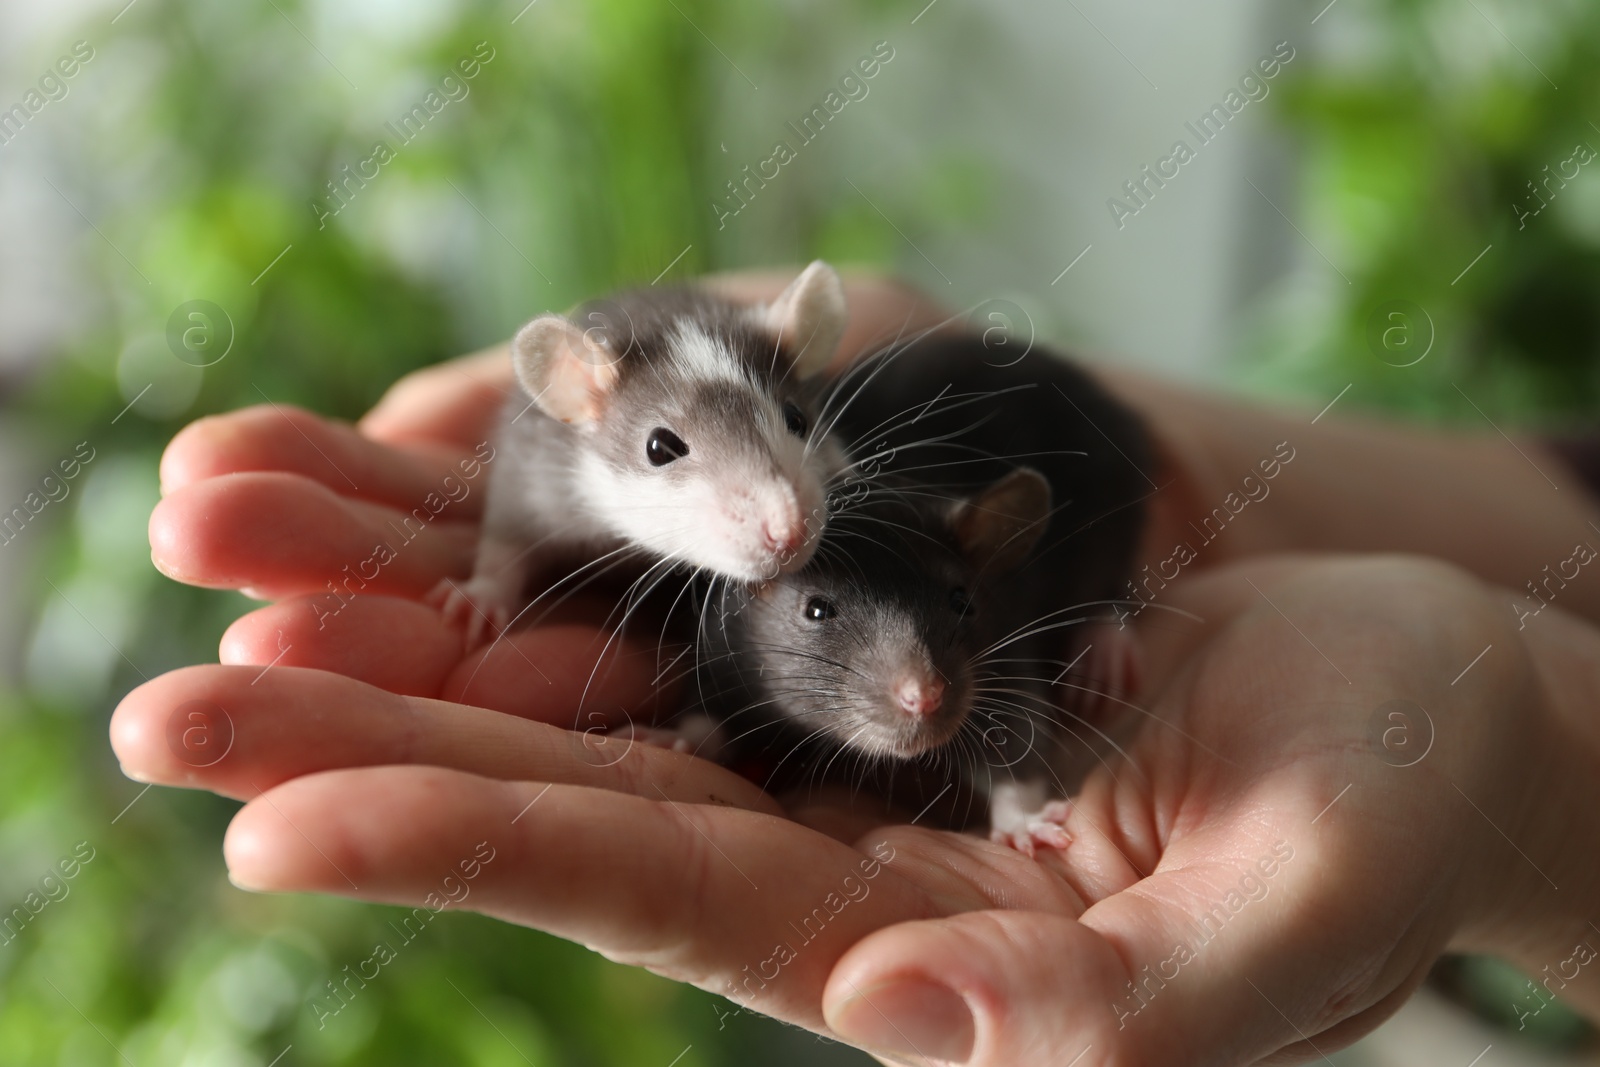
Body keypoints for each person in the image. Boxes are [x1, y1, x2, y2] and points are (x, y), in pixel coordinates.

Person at [112, 272, 1600, 1066]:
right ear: (580, 406)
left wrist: (1537, 765)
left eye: (796, 439)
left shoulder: (922, 508)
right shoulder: (569, 472)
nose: (775, 522)